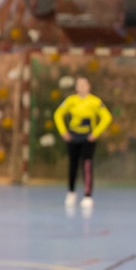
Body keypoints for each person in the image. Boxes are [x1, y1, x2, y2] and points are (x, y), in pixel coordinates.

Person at [53, 76, 112, 209]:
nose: (82, 87)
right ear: (76, 87)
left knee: (86, 164)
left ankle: (87, 195)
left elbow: (106, 117)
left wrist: (95, 133)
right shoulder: (71, 100)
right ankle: (71, 191)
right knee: (72, 164)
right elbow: (58, 114)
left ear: (89, 86)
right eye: (79, 84)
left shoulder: (95, 101)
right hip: (73, 137)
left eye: (84, 84)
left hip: (87, 138)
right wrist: (63, 132)